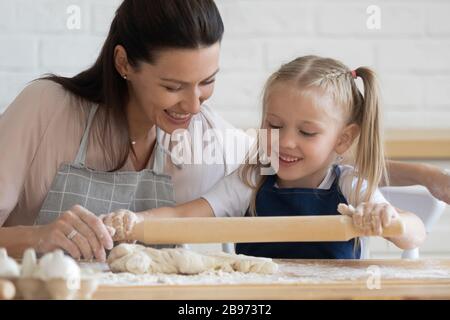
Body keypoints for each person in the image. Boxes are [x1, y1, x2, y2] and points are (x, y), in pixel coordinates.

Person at [0, 0, 445, 261]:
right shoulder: (47, 109)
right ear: (123, 64)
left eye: (207, 83)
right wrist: (37, 238)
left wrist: (426, 178)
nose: (194, 106)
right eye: (173, 87)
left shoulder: (207, 132)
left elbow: (315, 162)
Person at [110, 56, 426, 259]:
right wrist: (133, 222)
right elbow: (185, 217)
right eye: (274, 125)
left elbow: (414, 234)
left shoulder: (350, 185)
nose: (285, 142)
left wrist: (390, 220)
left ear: (342, 139)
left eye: (307, 132)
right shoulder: (250, 181)